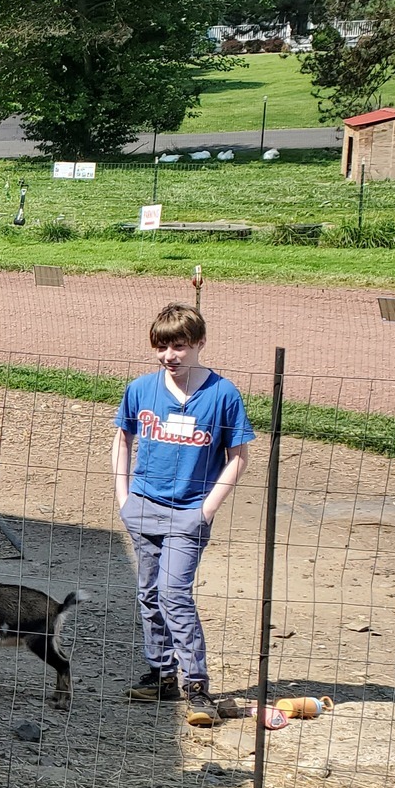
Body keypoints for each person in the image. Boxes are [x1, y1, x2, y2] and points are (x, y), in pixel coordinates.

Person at [112, 303, 254, 727]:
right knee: (149, 594)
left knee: (174, 595)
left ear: (199, 344)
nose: (169, 355)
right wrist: (124, 498)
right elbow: (122, 438)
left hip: (188, 514)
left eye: (178, 346)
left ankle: (195, 683)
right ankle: (161, 675)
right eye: (162, 347)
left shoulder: (222, 394)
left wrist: (205, 511)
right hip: (144, 507)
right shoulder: (141, 389)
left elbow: (238, 456)